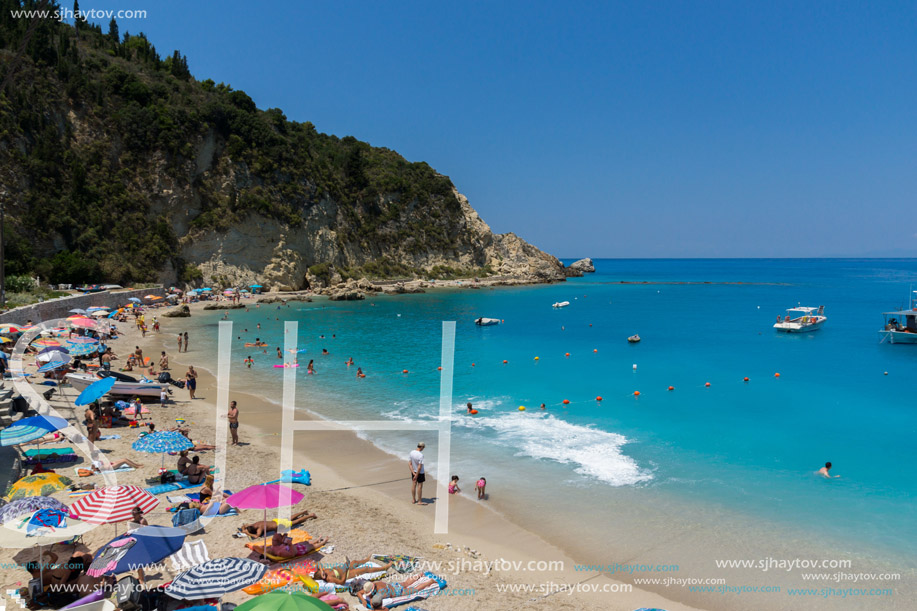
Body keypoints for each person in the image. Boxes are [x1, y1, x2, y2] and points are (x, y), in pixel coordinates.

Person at [360, 575, 439, 609]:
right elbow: (359, 593)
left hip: (398, 592)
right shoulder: (374, 583)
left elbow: (373, 603)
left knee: (415, 590)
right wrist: (363, 600)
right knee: (406, 583)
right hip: (394, 585)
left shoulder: (380, 593)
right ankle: (420, 575)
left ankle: (430, 582)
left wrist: (365, 600)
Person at [313, 557, 393, 585]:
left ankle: (366, 559)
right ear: (322, 577)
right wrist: (345, 571)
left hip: (344, 568)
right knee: (365, 569)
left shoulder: (323, 571)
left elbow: (318, 563)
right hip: (347, 574)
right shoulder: (329, 578)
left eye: (322, 572)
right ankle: (384, 568)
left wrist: (321, 570)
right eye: (323, 574)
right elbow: (342, 582)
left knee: (354, 562)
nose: (324, 572)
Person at [240, 510, 318, 538]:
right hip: (276, 521)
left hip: (279, 525)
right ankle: (303, 512)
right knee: (290, 517)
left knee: (295, 522)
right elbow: (247, 526)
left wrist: (248, 533)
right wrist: (244, 529)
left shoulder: (259, 528)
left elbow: (257, 536)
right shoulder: (255, 524)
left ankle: (311, 515)